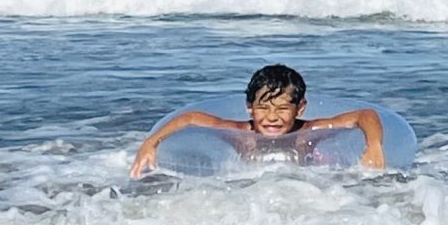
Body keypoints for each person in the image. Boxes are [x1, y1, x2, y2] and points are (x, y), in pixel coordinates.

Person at [131, 64, 386, 177]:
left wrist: (374, 146)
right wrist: (150, 143)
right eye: (263, 108)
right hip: (251, 189)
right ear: (249, 108)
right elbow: (190, 118)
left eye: (282, 108)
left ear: (300, 108)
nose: (272, 117)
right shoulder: (239, 132)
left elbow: (365, 115)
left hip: (304, 187)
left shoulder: (310, 130)